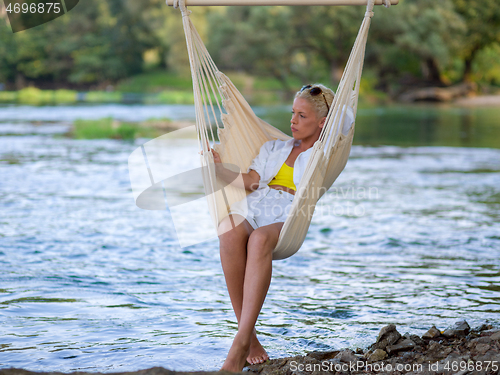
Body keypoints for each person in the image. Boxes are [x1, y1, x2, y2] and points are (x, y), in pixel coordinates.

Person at [210, 84, 352, 372]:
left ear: (322, 122)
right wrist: (220, 170)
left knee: (259, 240)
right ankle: (248, 337)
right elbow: (251, 180)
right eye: (293, 113)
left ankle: (238, 346)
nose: (293, 121)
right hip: (256, 204)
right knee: (228, 227)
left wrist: (326, 99)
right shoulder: (273, 147)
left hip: (288, 214)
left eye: (302, 116)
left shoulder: (323, 153)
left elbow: (347, 120)